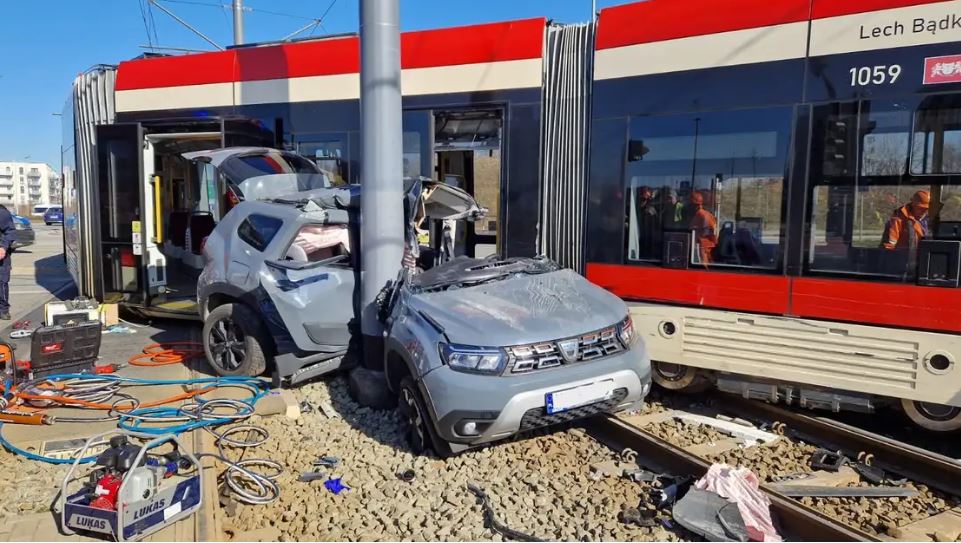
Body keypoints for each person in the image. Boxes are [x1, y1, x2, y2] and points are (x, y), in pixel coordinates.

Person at [689, 190, 718, 264]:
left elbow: (710, 236)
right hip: (696, 249)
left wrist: (702, 249)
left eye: (690, 204)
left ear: (696, 205)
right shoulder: (696, 215)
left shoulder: (704, 216)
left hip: (703, 250)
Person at [0, 205, 14, 320]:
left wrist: (3, 247)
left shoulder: (2, 213)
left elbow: (10, 232)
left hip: (1, 255)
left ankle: (3, 310)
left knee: (2, 282)